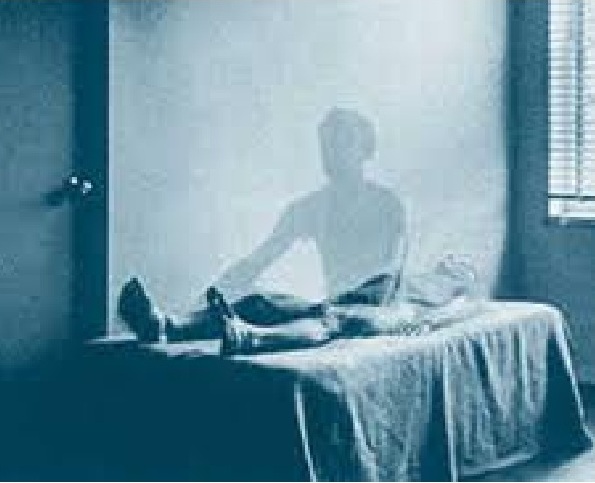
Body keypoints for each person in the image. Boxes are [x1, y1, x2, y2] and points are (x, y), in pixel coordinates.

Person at [118, 108, 414, 354]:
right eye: (325, 145)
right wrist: (206, 298)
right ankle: (167, 325)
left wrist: (339, 303)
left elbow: (388, 277)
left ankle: (250, 337)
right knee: (260, 302)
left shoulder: (388, 205)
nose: (331, 152)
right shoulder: (311, 207)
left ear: (365, 149)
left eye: (342, 143)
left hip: (384, 311)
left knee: (331, 318)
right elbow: (256, 262)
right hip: (332, 304)